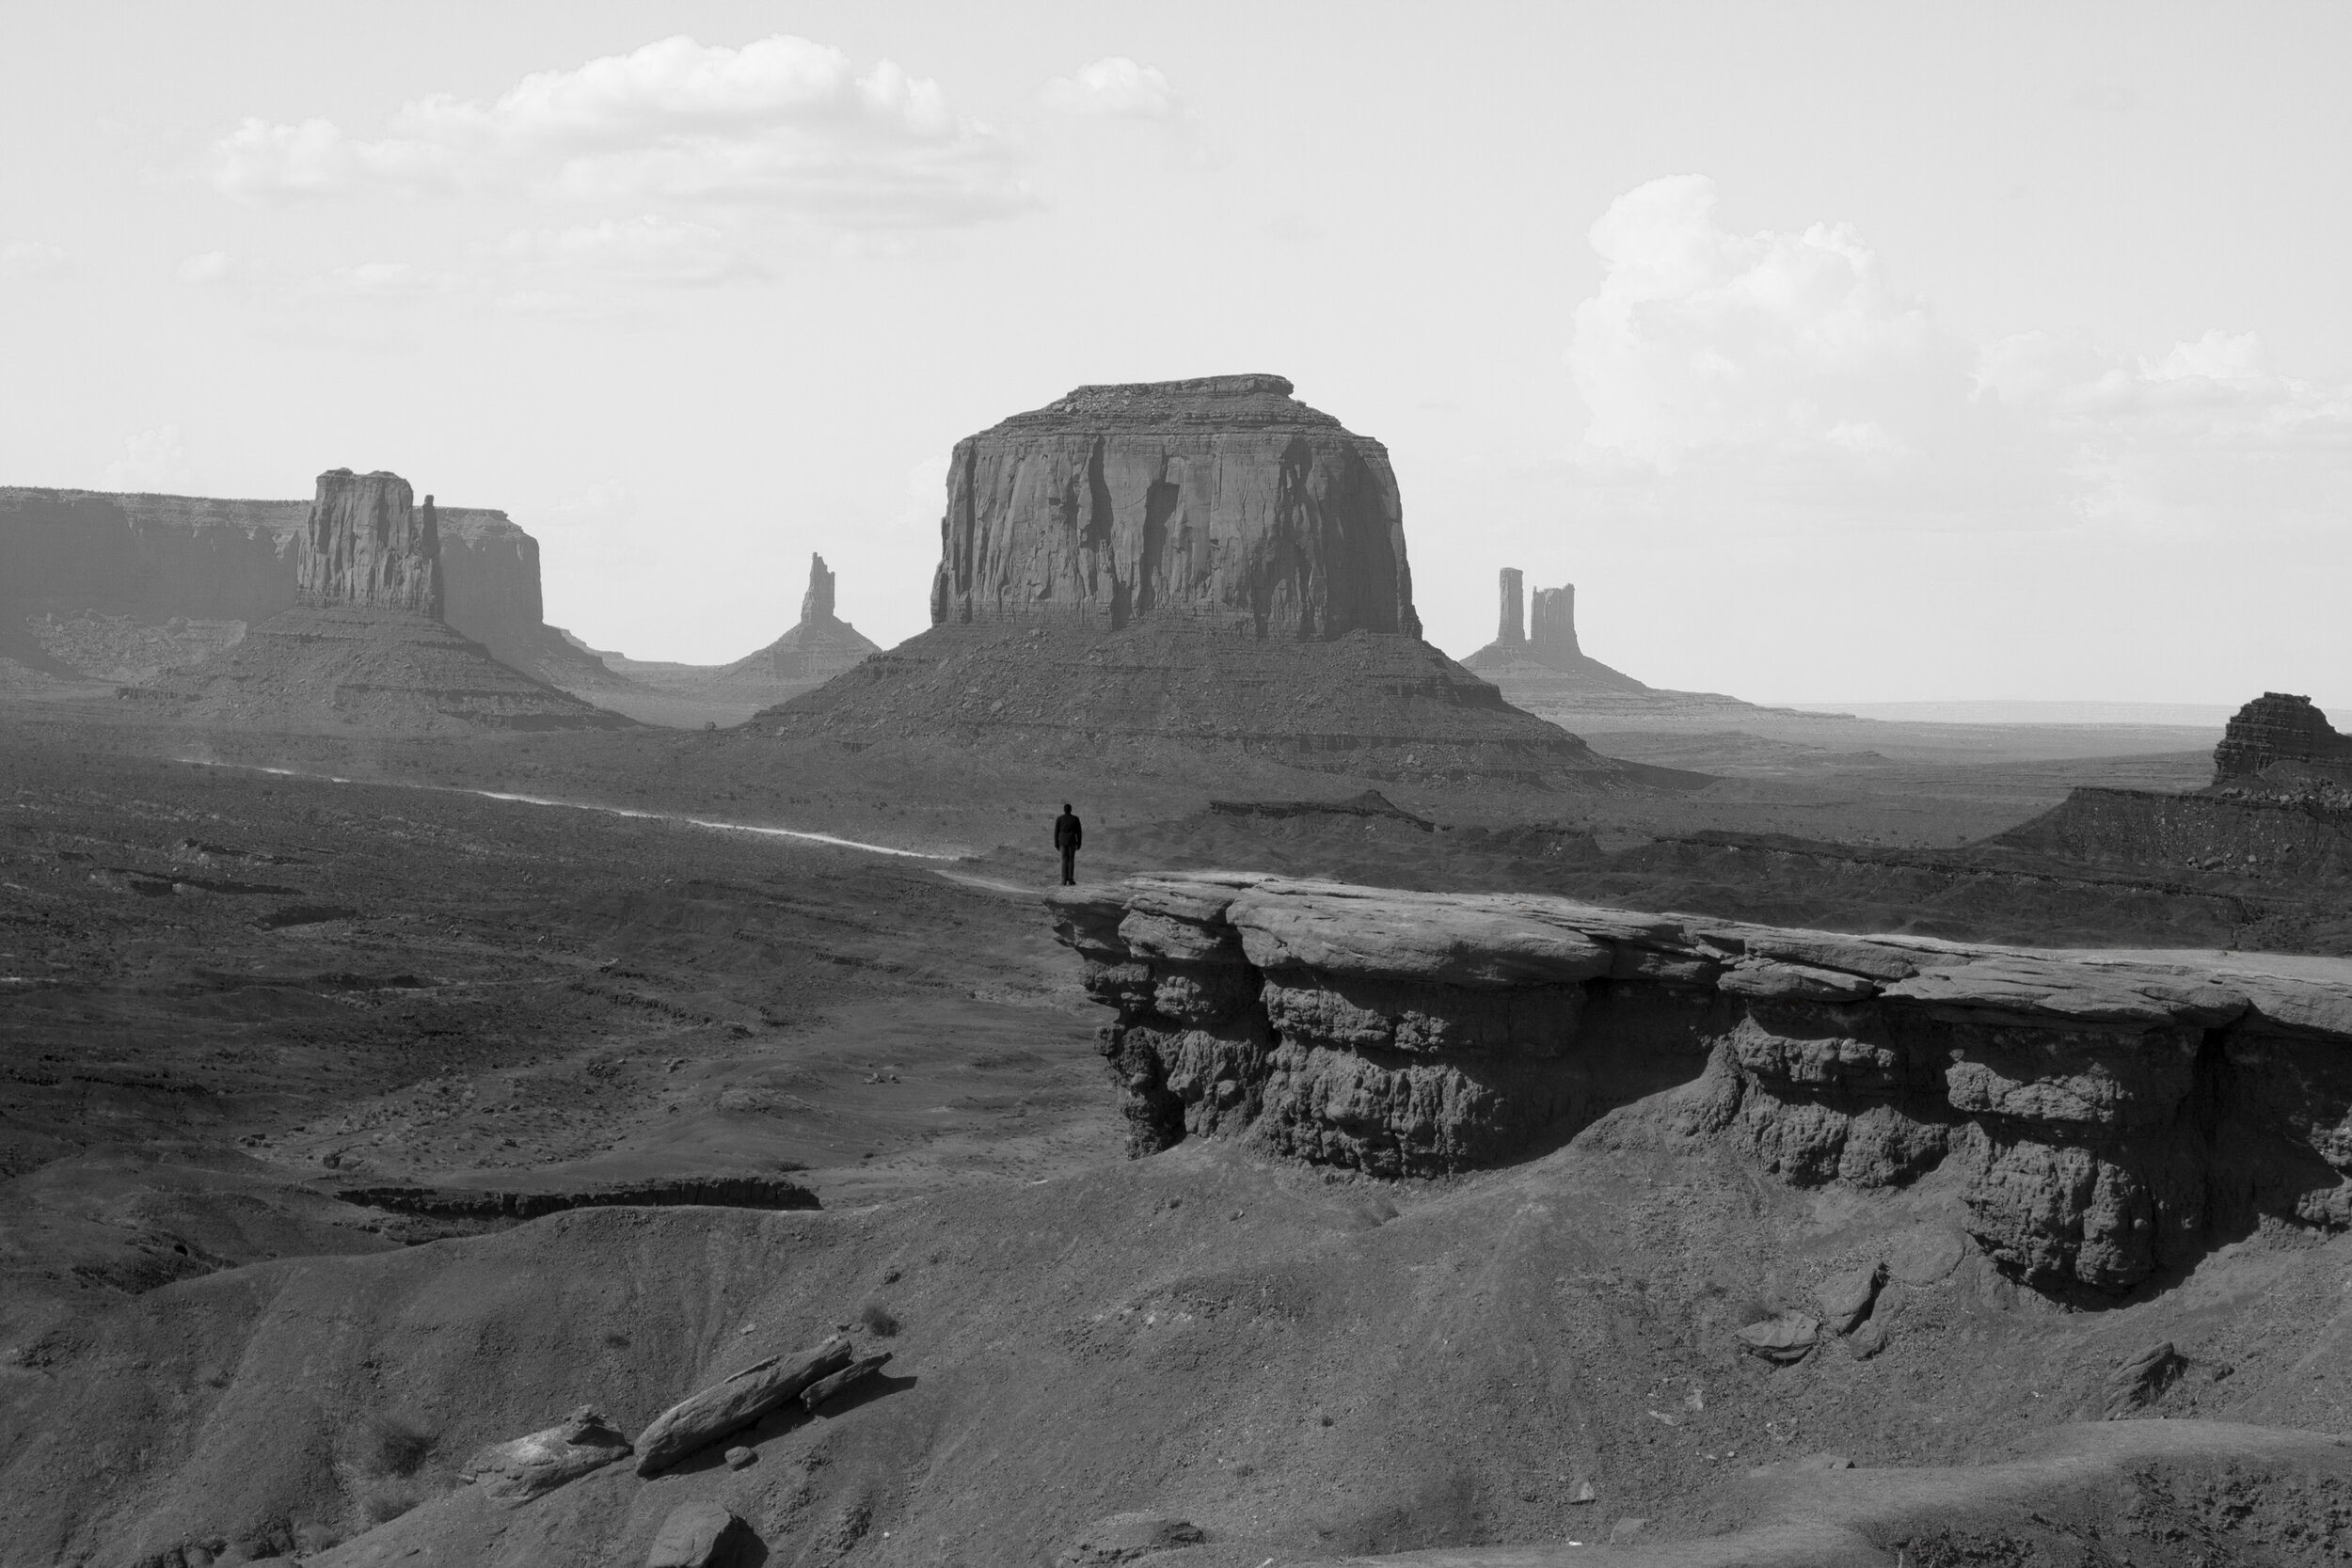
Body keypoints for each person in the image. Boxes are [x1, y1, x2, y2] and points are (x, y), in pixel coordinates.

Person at [1053, 801, 1083, 886]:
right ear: (1071, 810)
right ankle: (1070, 879)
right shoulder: (1075, 819)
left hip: (1062, 842)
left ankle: (1063, 880)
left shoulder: (1059, 819)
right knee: (1071, 860)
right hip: (1072, 842)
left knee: (1064, 860)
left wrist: (1056, 843)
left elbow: (1056, 832)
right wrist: (1079, 843)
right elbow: (1079, 832)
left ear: (1064, 810)